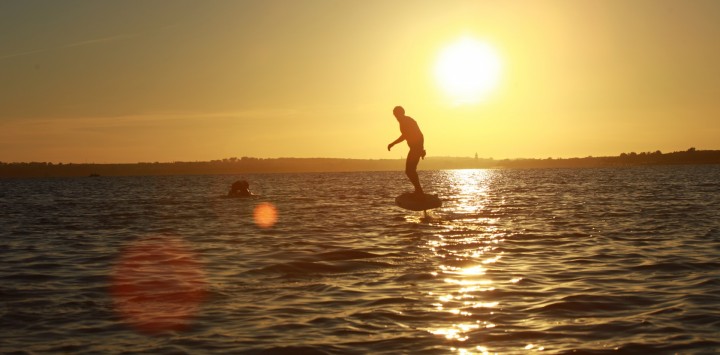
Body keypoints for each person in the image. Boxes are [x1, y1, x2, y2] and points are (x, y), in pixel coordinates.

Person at [387, 106, 426, 194]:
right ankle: (419, 191)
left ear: (401, 113)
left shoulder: (406, 121)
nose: (395, 116)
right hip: (415, 148)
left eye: (397, 114)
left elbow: (416, 135)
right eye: (394, 115)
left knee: (409, 171)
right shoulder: (403, 121)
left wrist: (420, 149)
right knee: (410, 171)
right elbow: (408, 135)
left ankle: (419, 191)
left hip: (416, 148)